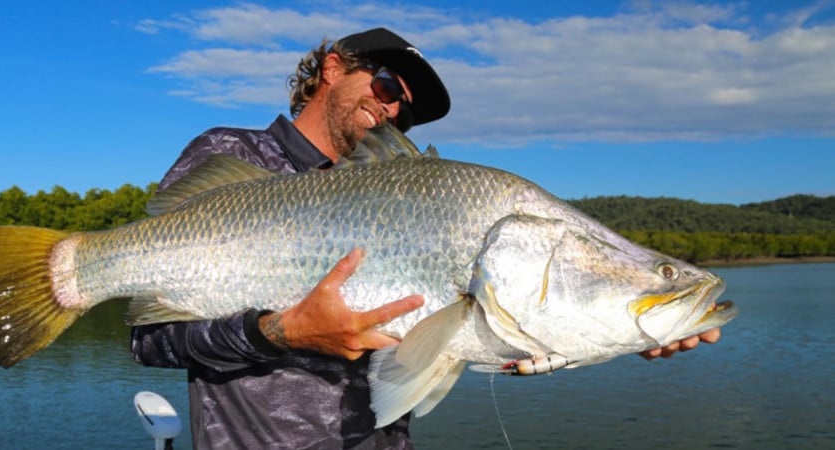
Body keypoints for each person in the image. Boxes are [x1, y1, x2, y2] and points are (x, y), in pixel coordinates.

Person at [131, 27, 720, 450]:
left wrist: (619, 327)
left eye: (406, 113)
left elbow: (467, 335)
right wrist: (280, 331)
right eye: (386, 84)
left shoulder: (422, 194)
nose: (392, 109)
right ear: (332, 67)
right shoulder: (233, 157)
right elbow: (151, 343)